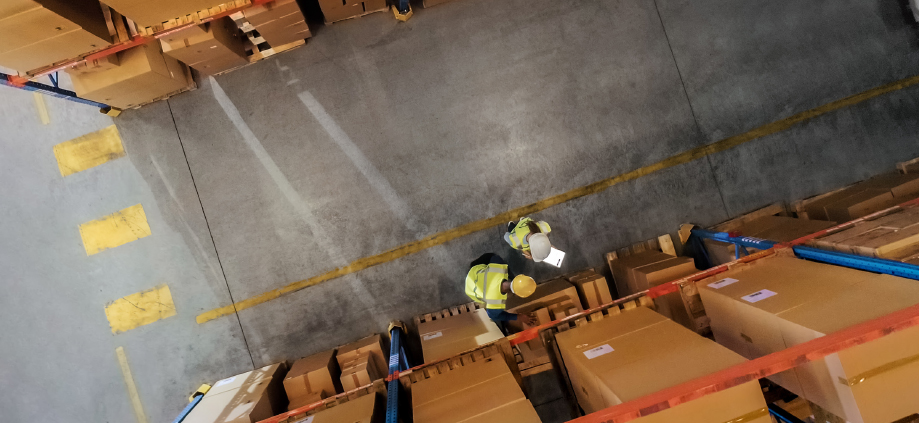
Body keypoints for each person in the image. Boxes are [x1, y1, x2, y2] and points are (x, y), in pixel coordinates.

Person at [465, 253, 537, 329]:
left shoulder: (500, 268)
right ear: (517, 294)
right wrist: (518, 317)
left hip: (473, 272)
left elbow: (494, 257)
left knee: (491, 257)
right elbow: (493, 317)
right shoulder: (496, 303)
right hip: (470, 291)